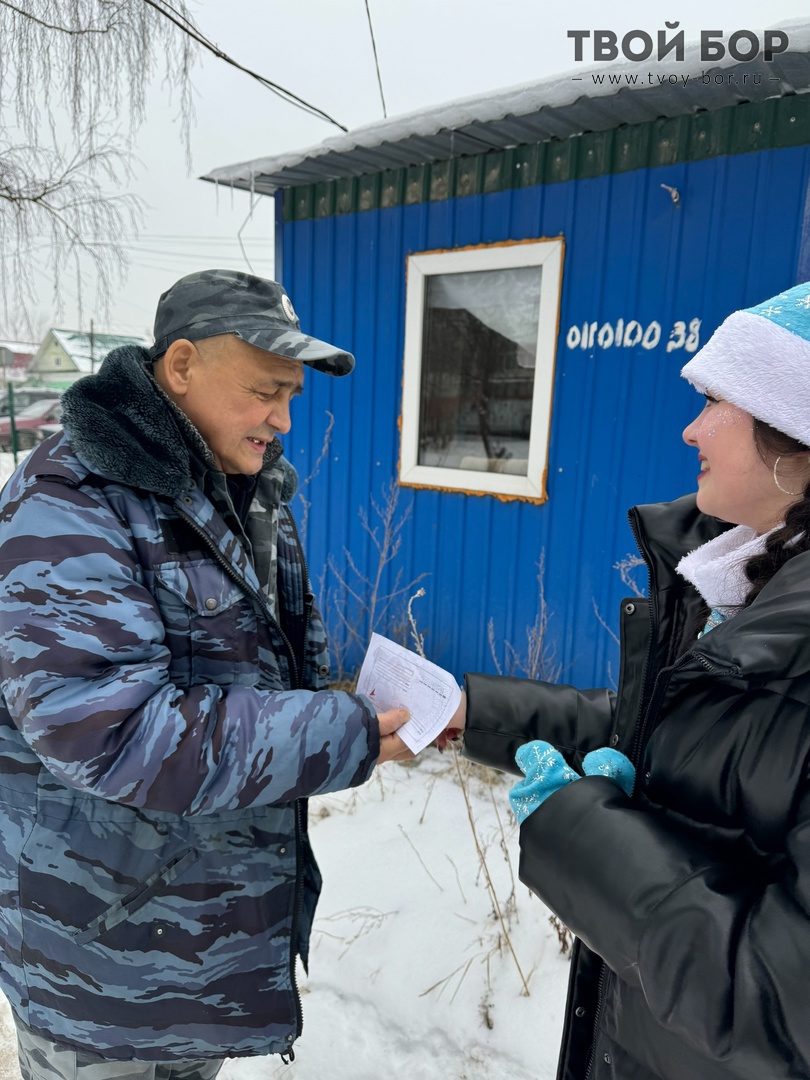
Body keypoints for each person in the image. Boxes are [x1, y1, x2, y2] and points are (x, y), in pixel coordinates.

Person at [0, 269, 413, 1079]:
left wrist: (354, 705)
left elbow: (273, 675)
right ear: (182, 365)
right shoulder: (69, 500)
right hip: (97, 965)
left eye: (292, 395)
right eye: (265, 391)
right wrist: (342, 731)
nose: (283, 419)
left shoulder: (245, 492)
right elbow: (110, 731)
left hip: (198, 951)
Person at [456, 281, 810, 1079]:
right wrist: (474, 711)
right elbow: (680, 735)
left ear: (795, 428)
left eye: (716, 400)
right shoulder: (745, 581)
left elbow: (782, 1006)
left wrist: (586, 837)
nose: (691, 428)